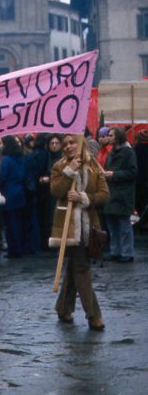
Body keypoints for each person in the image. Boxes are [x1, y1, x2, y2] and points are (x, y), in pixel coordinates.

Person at [50, 134, 109, 330]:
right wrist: (69, 172)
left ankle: (63, 308)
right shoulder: (59, 166)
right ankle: (94, 316)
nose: (67, 146)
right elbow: (56, 191)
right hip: (68, 227)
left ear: (80, 142)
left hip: (89, 226)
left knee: (75, 269)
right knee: (82, 268)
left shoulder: (93, 166)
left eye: (71, 142)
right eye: (64, 144)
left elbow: (104, 194)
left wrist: (83, 197)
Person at [102, 127, 138, 263]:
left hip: (123, 194)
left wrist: (114, 174)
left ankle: (127, 252)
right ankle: (115, 251)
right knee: (112, 225)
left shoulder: (129, 152)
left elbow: (132, 172)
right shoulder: (111, 153)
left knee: (124, 225)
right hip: (111, 192)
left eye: (111, 135)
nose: (109, 137)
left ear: (118, 137)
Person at [0, 135, 28, 258]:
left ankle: (14, 249)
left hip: (9, 194)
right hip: (20, 192)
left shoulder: (6, 160)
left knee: (11, 224)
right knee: (19, 222)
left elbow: (2, 178)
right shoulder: (21, 158)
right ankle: (20, 247)